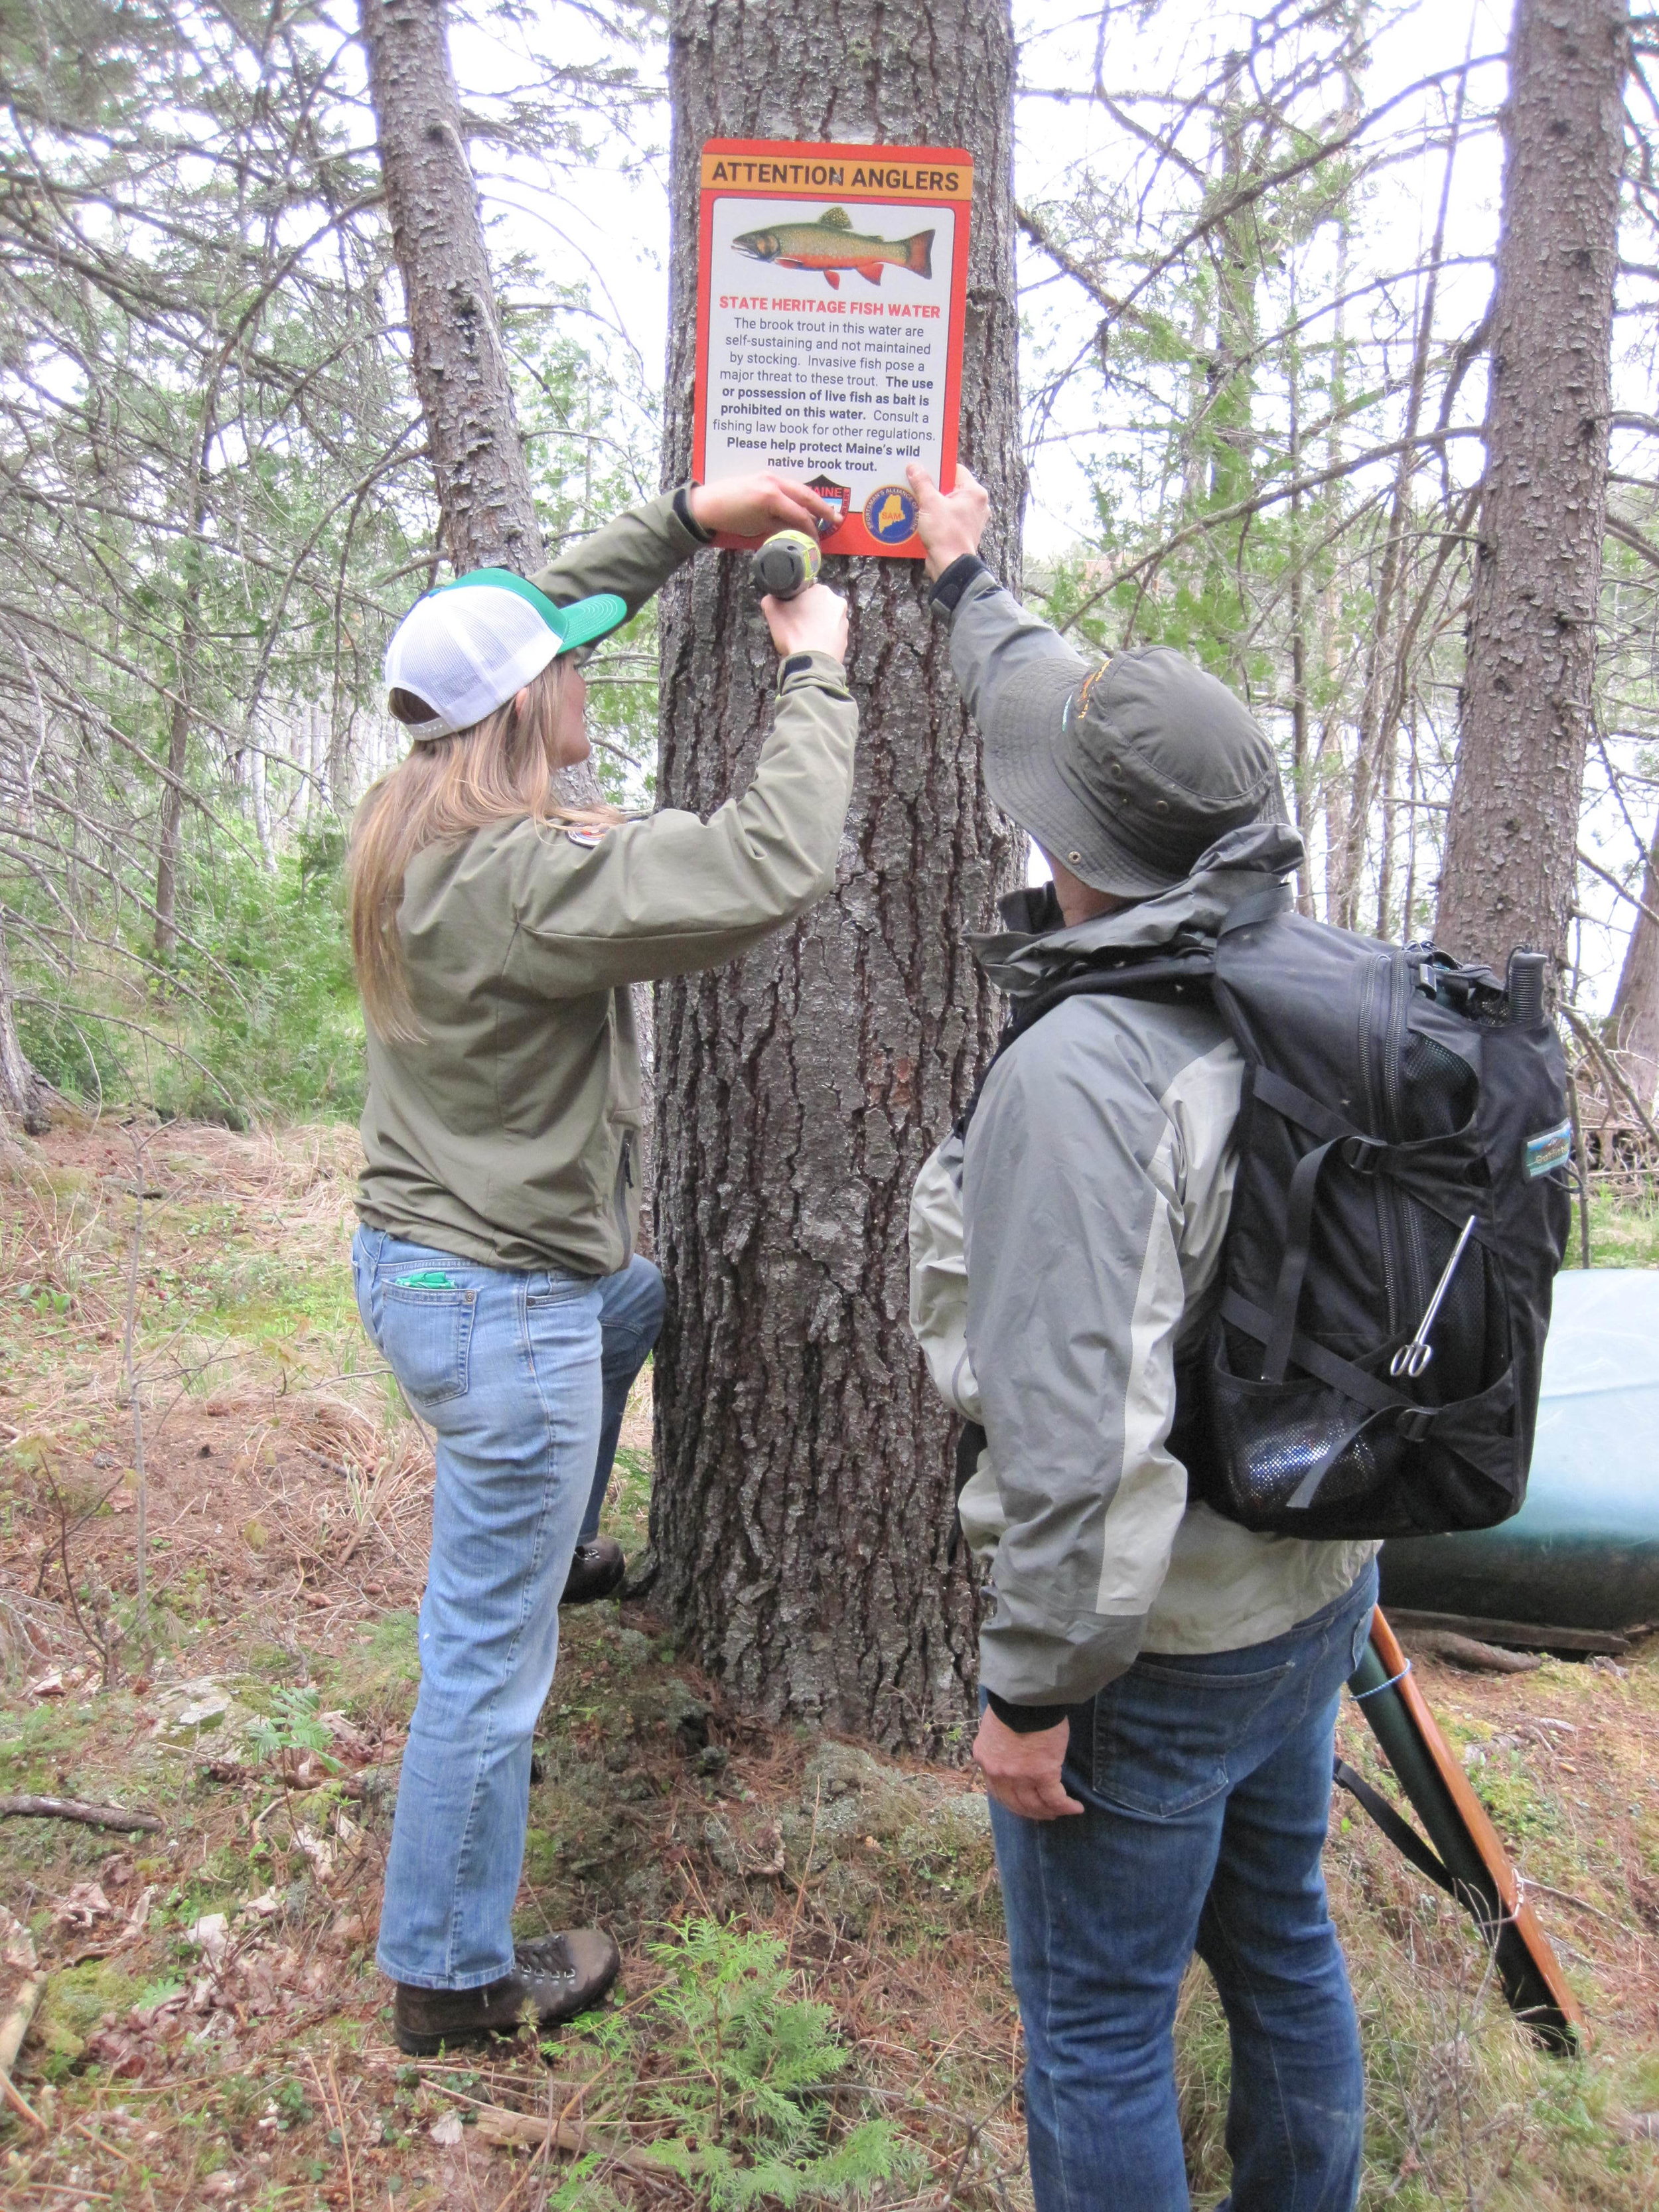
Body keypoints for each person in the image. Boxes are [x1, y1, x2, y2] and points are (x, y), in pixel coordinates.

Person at [904, 461, 1379, 2212]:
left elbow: (1078, 1432)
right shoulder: (1316, 966)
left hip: (1152, 1646)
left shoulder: (1083, 1078)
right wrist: (966, 583)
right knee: (1282, 1939)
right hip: (1318, 1576)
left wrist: (1032, 1686)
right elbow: (1065, 699)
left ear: (1067, 849)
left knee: (1096, 2027)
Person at [347, 473, 853, 2055]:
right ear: (531, 705)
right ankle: (447, 1971)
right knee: (486, 1663)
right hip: (495, 1307)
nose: (589, 664)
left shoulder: (427, 799)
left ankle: (552, 1531)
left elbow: (533, 612)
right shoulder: (526, 880)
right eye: (569, 663)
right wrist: (812, 664)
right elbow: (768, 860)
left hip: (432, 1270)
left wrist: (689, 518)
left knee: (631, 1295)